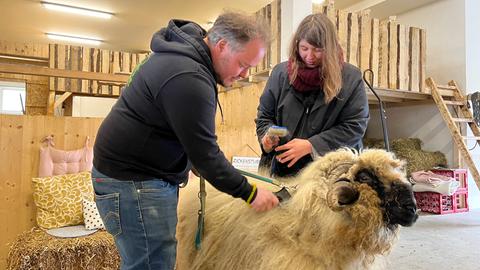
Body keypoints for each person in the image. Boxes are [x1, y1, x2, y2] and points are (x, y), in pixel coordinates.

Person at [92, 12, 279, 270]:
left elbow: (186, 139)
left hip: (130, 177)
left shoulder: (181, 60)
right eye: (243, 64)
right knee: (151, 264)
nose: (245, 74)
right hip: (135, 182)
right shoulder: (189, 77)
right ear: (222, 45)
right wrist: (250, 193)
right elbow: (206, 156)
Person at [255, 13, 369, 178]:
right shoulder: (280, 73)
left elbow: (355, 125)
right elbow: (265, 115)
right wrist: (266, 136)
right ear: (296, 46)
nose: (309, 56)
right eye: (304, 48)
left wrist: (311, 145)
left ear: (329, 48)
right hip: (282, 171)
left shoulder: (350, 77)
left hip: (330, 175)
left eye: (318, 50)